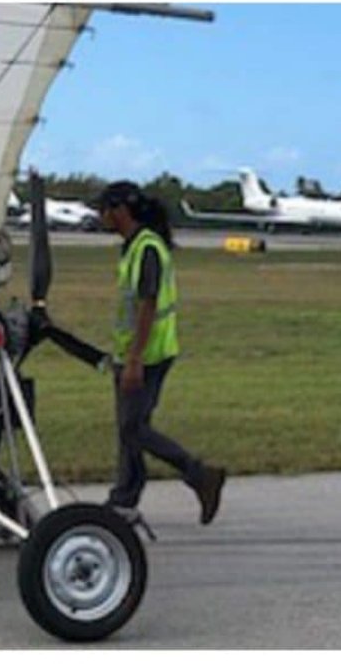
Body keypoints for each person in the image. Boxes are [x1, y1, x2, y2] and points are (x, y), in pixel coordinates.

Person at [95, 181, 225, 525]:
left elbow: (147, 304)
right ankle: (124, 499)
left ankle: (199, 474)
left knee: (133, 429)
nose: (101, 216)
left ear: (120, 210)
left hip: (148, 355)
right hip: (137, 352)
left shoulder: (147, 248)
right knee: (131, 428)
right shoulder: (135, 245)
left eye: (104, 209)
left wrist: (135, 360)